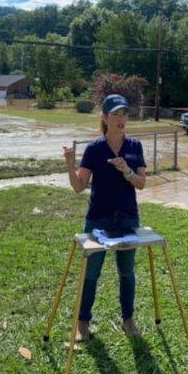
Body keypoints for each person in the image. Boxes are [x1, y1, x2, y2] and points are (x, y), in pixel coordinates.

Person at [63, 94, 146, 341]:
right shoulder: (94, 149)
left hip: (127, 219)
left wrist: (127, 171)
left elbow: (141, 184)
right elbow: (79, 186)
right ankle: (83, 322)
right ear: (105, 118)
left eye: (124, 114)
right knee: (91, 274)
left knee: (127, 272)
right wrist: (69, 164)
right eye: (115, 114)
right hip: (98, 219)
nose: (121, 119)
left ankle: (128, 319)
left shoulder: (135, 146)